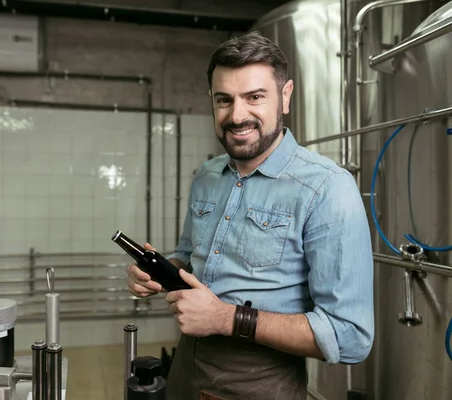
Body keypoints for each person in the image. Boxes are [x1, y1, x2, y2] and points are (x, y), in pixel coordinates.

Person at [126, 31, 374, 400]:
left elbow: (350, 336)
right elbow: (190, 261)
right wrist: (161, 271)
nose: (237, 115)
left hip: (262, 385)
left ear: (285, 96)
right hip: (185, 373)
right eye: (224, 100)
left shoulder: (327, 188)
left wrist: (224, 318)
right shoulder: (207, 176)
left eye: (254, 97)